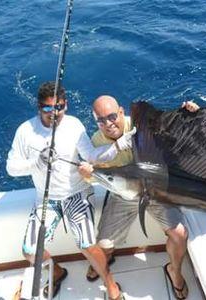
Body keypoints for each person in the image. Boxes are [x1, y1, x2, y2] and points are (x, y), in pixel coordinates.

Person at [6, 82, 134, 299]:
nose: (54, 113)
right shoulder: (25, 131)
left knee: (87, 245)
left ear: (66, 105)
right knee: (29, 250)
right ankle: (56, 272)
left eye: (59, 107)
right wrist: (36, 162)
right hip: (47, 199)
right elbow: (11, 168)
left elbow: (92, 156)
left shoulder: (74, 126)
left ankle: (111, 285)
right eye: (47, 108)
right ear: (39, 107)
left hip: (77, 193)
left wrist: (119, 145)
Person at [79, 95, 199, 300]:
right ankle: (108, 257)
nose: (108, 124)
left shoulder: (141, 125)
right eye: (101, 120)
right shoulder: (96, 143)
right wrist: (88, 176)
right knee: (103, 247)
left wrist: (187, 116)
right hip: (124, 195)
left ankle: (174, 272)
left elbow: (172, 132)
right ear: (95, 121)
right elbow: (100, 177)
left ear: (120, 112)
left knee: (180, 235)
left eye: (111, 117)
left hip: (156, 191)